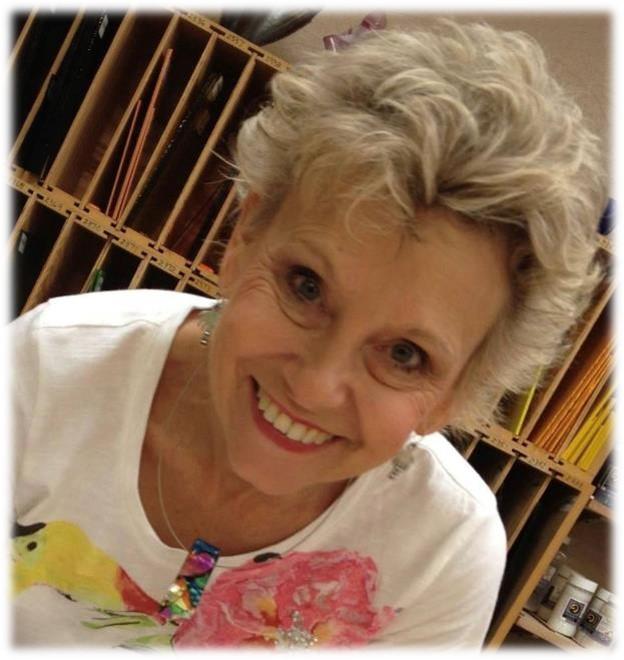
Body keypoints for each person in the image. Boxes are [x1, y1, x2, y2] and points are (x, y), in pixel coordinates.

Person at [10, 19, 605, 649]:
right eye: (306, 286)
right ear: (244, 238)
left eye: (405, 355)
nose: (315, 387)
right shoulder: (51, 369)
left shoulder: (442, 553)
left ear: (455, 397)